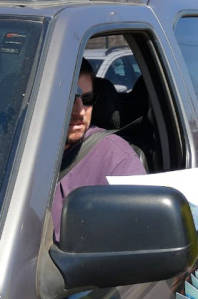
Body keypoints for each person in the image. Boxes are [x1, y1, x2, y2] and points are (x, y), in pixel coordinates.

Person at [50, 59, 145, 240]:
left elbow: (139, 237)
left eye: (87, 99)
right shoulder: (15, 151)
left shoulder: (116, 159)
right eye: (69, 98)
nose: (80, 111)